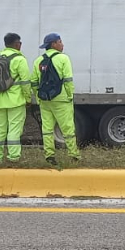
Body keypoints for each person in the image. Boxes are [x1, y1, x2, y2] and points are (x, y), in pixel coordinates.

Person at [0, 33, 32, 164]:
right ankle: (13, 158)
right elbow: (25, 82)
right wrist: (28, 98)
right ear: (17, 44)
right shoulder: (19, 59)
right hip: (15, 101)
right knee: (14, 130)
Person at [34, 32, 80, 165]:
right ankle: (74, 155)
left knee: (47, 129)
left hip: (44, 100)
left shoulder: (38, 60)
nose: (62, 44)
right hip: (61, 99)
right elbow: (68, 80)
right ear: (53, 44)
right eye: (60, 41)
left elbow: (34, 82)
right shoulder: (63, 59)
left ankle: (49, 155)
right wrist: (70, 95)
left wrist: (38, 98)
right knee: (67, 128)